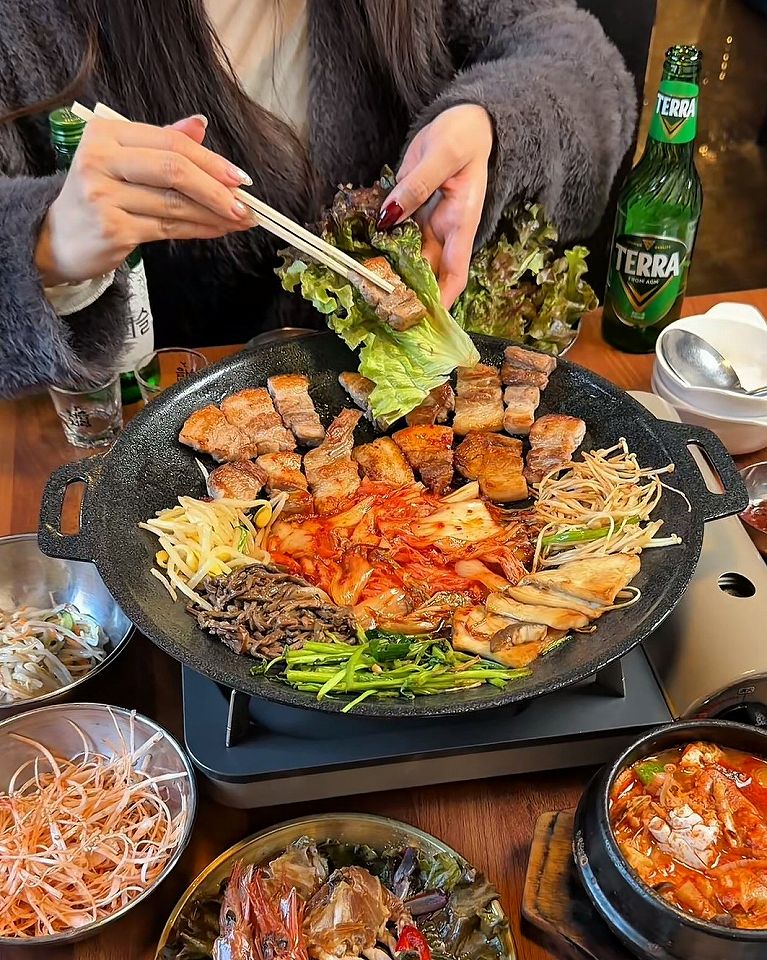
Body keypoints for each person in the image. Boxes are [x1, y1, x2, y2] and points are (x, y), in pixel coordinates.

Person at [0, 0, 636, 397]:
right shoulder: (30, 23)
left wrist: (489, 123)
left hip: (421, 416)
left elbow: (579, 59)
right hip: (162, 422)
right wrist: (47, 246)